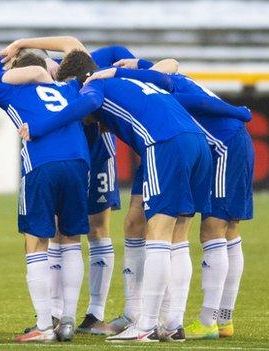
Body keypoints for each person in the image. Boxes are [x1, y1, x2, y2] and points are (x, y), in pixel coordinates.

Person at [18, 66, 213, 342]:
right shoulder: (130, 83)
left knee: (158, 234)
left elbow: (90, 102)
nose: (92, 125)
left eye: (87, 122)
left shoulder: (94, 87)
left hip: (165, 144)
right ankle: (172, 324)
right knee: (179, 237)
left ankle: (145, 326)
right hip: (197, 142)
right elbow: (167, 78)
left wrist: (39, 127)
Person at [104, 61, 253, 339]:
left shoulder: (162, 89)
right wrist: (134, 65)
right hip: (218, 143)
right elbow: (169, 62)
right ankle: (220, 320)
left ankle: (211, 319)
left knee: (214, 229)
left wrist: (239, 112)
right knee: (225, 229)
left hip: (223, 144)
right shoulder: (162, 78)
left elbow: (199, 102)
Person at [0, 54, 102, 343]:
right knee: (71, 239)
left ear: (18, 71)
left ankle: (43, 325)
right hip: (78, 162)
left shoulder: (11, 89)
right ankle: (67, 320)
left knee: (35, 241)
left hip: (41, 164)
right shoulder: (68, 89)